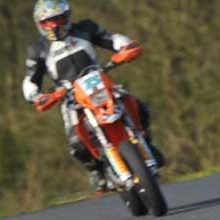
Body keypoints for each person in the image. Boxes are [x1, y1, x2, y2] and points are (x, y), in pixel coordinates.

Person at [22, 0, 165, 193]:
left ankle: (146, 142)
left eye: (58, 19)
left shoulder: (86, 28)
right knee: (76, 143)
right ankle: (96, 170)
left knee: (139, 107)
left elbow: (112, 38)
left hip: (99, 82)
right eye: (48, 22)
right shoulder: (37, 50)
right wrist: (35, 96)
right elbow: (31, 79)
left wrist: (126, 45)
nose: (54, 25)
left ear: (68, 16)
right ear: (39, 24)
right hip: (70, 97)